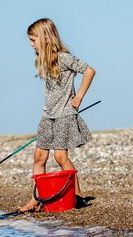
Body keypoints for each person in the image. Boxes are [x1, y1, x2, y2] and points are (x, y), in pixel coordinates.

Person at [19, 18, 96, 213]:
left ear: (45, 38)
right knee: (39, 157)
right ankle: (36, 199)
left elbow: (89, 71)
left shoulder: (63, 57)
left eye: (33, 40)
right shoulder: (43, 60)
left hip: (64, 114)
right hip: (48, 115)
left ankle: (77, 197)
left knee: (61, 156)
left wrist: (78, 97)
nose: (31, 44)